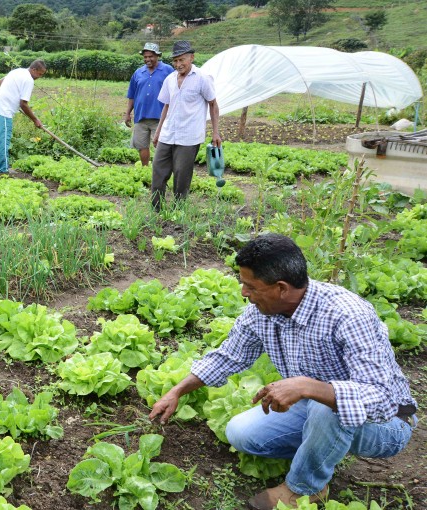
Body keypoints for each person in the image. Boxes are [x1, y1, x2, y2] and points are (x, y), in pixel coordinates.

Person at [148, 234, 417, 510]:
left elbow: (382, 398)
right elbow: (229, 355)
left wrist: (307, 387)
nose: (243, 292)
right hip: (314, 409)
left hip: (386, 425)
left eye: (250, 286)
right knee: (241, 433)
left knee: (326, 407)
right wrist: (176, 391)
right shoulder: (262, 312)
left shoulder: (347, 314)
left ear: (281, 288)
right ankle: (320, 452)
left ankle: (304, 488)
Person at [151, 40, 222, 210]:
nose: (178, 64)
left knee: (182, 175)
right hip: (168, 133)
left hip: (189, 136)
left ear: (191, 57)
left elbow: (213, 104)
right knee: (158, 171)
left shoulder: (202, 79)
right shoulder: (169, 79)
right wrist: (158, 132)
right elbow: (166, 106)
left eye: (182, 60)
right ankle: (156, 209)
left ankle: (178, 211)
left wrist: (216, 133)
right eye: (175, 61)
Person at [0, 59, 46, 176]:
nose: (40, 77)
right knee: (3, 142)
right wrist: (35, 120)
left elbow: (1, 82)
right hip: (4, 111)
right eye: (40, 74)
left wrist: (10, 96)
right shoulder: (29, 80)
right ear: (34, 70)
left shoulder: (18, 71)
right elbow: (23, 104)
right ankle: (2, 172)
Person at [123, 42, 174, 168]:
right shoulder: (138, 73)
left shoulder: (167, 70)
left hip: (160, 117)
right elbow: (132, 95)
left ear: (157, 56)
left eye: (150, 56)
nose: (147, 59)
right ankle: (146, 169)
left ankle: (160, 172)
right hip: (141, 116)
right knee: (141, 146)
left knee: (161, 147)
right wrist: (128, 113)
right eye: (145, 57)